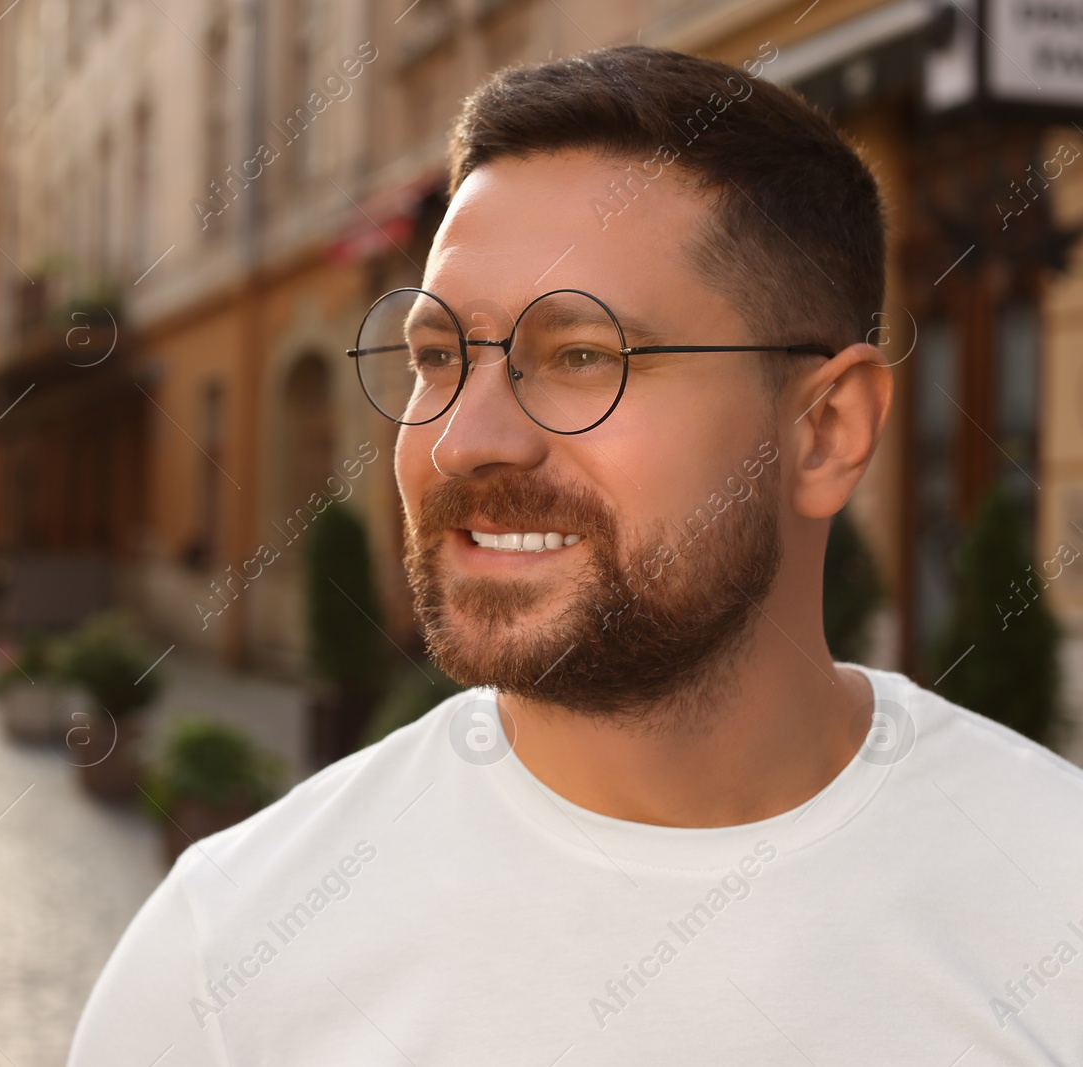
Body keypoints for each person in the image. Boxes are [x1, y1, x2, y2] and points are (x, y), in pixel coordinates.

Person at [67, 46, 1083, 1063]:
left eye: (581, 355)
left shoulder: (1050, 899)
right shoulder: (227, 962)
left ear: (823, 430)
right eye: (436, 358)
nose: (464, 439)